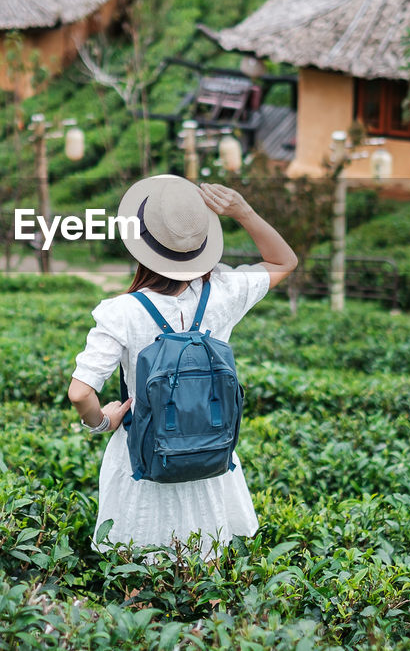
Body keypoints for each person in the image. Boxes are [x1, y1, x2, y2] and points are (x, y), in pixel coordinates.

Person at [68, 176, 298, 560]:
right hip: (210, 456)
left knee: (137, 577)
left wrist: (102, 421)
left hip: (144, 459)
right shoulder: (225, 292)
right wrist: (243, 211)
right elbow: (284, 261)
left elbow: (80, 392)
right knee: (206, 579)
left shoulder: (120, 312)